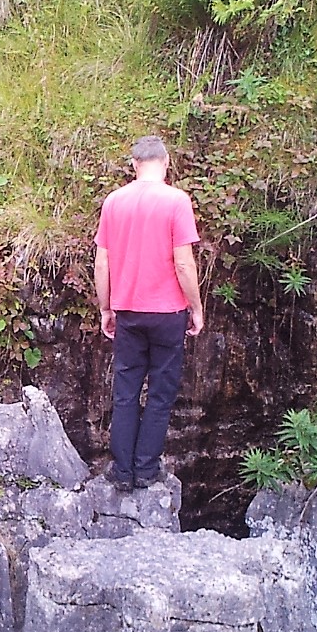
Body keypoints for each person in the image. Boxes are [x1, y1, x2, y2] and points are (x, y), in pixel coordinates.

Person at [95, 135, 204, 491]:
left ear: (134, 164)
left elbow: (102, 262)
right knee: (160, 392)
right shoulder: (176, 201)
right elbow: (183, 263)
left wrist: (105, 307)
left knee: (125, 391)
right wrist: (196, 307)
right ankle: (146, 469)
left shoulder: (114, 202)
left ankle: (122, 472)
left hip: (128, 310)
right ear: (166, 162)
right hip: (168, 313)